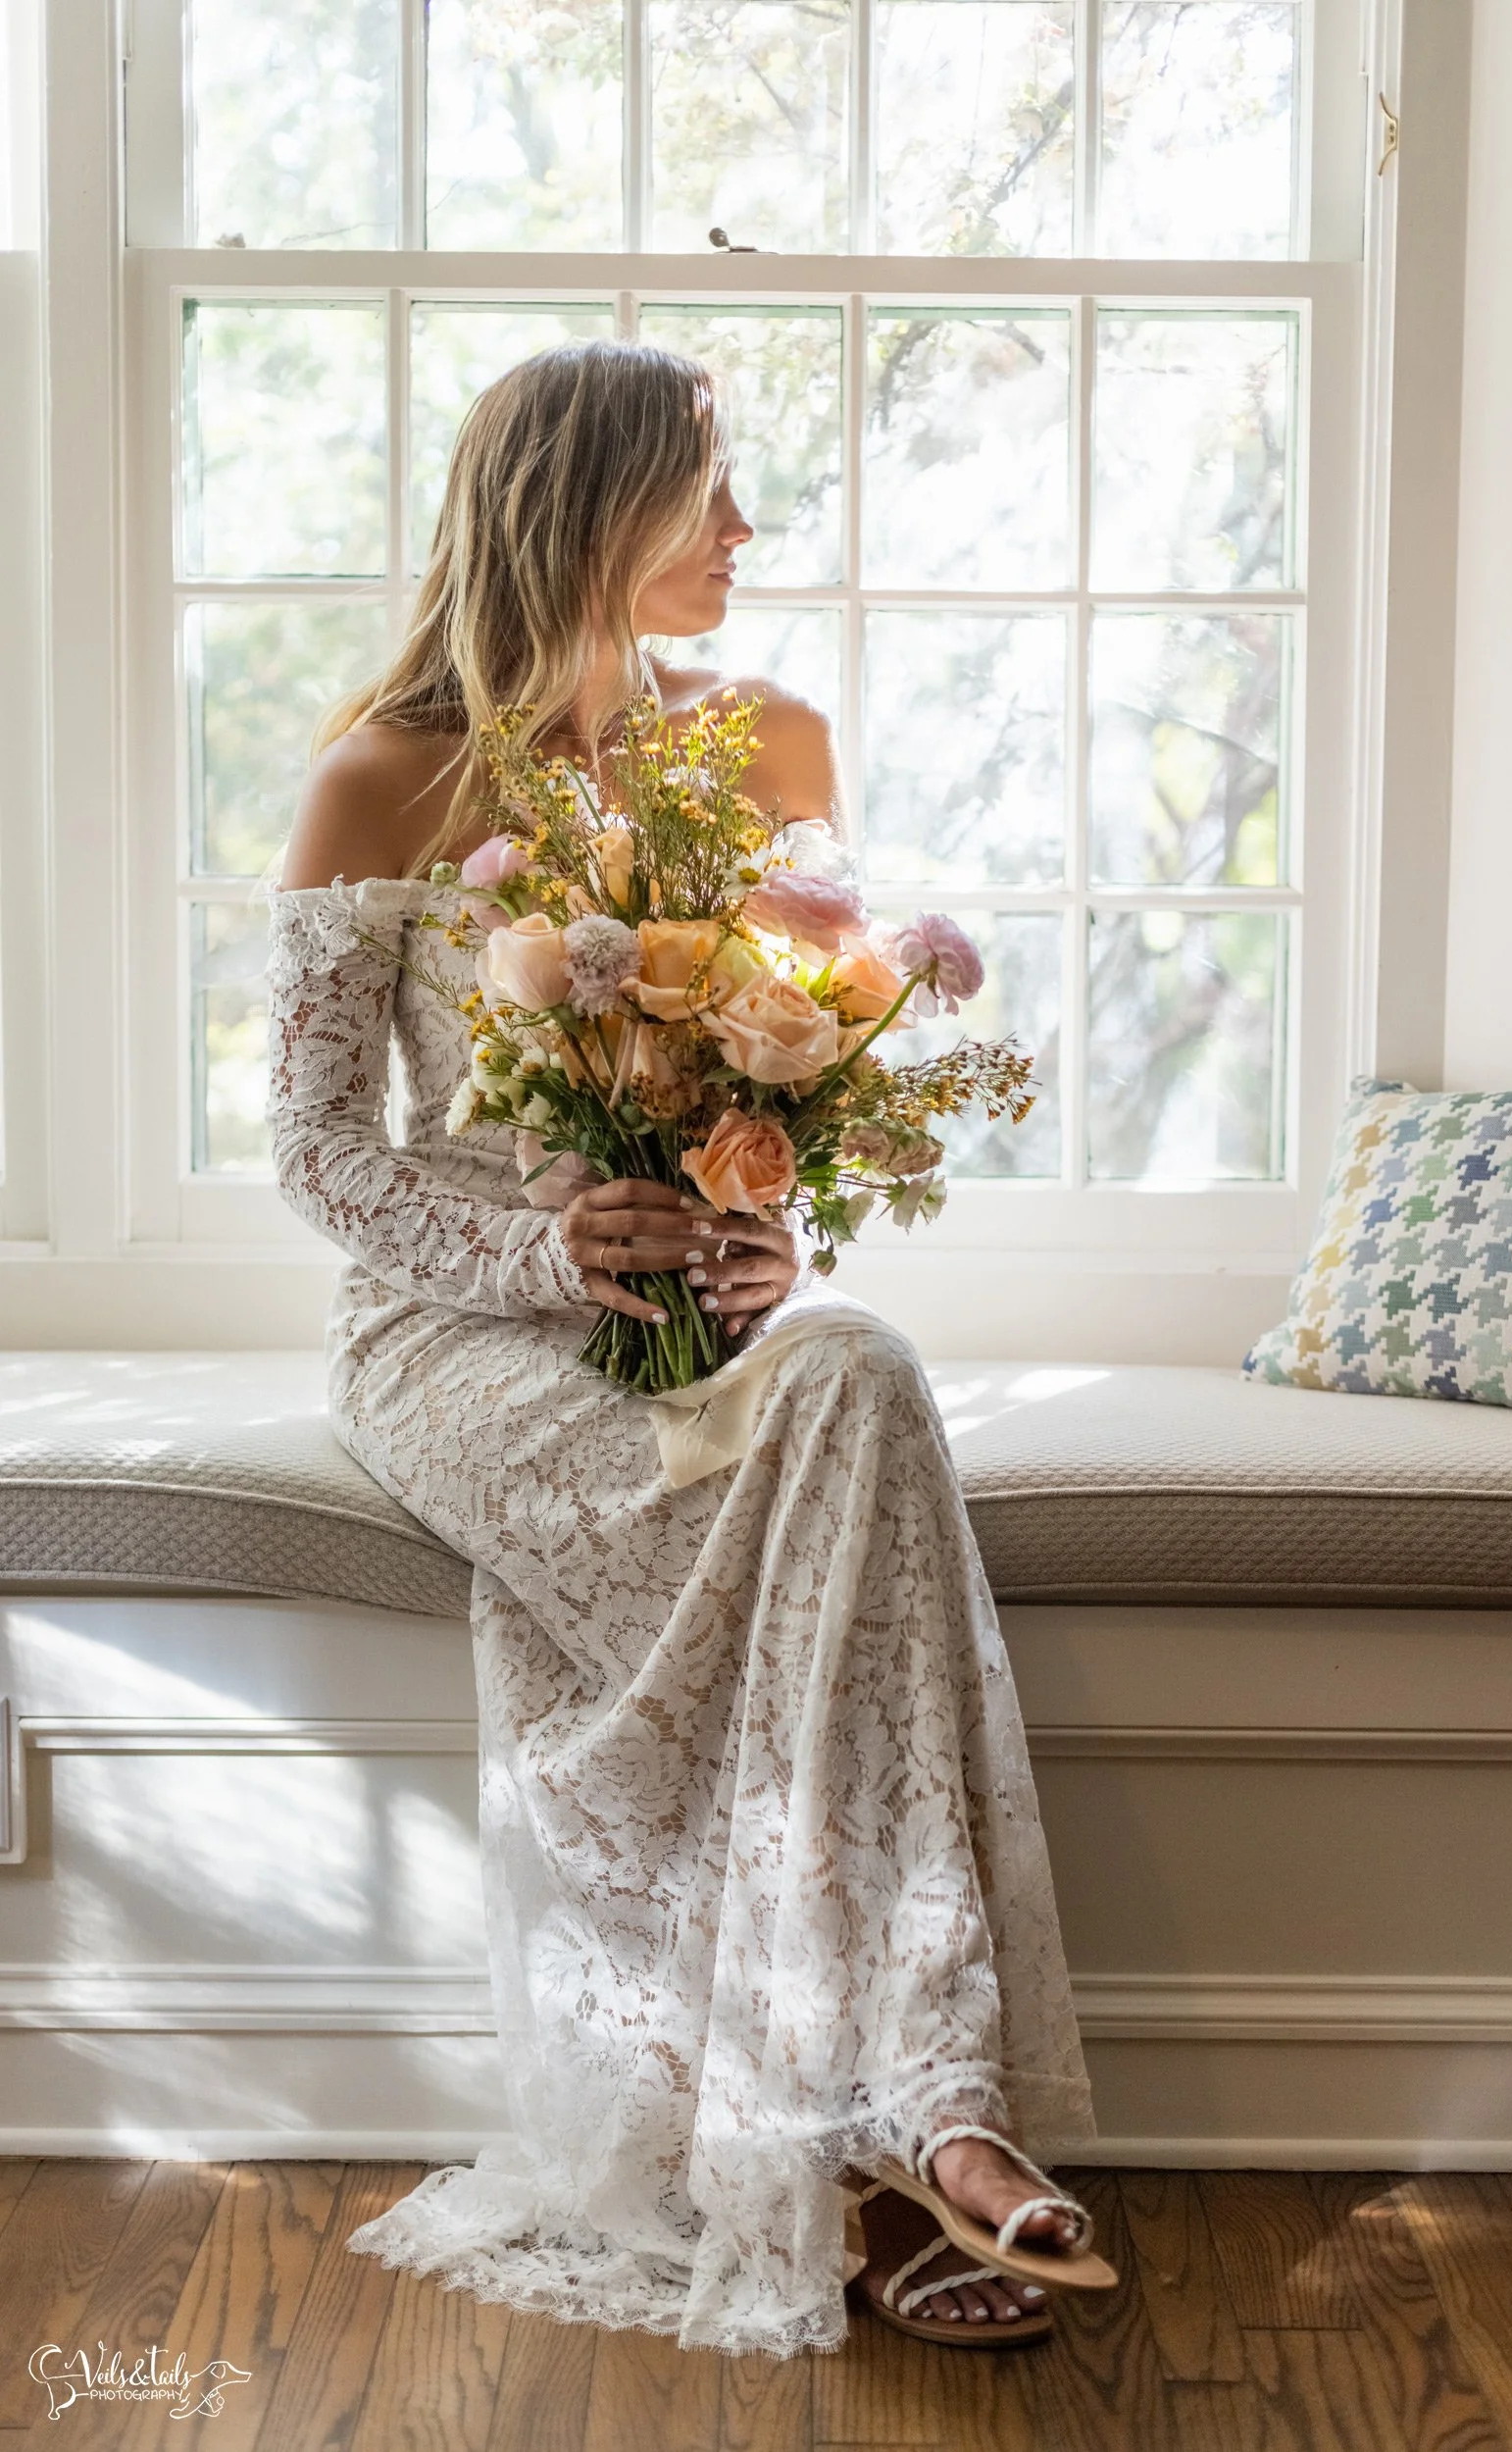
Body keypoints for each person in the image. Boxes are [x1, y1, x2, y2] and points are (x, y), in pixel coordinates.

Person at [268, 337, 1105, 2357]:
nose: (746, 531)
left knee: (862, 1375)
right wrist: (549, 1238)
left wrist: (755, 1214)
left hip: (697, 1314)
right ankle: (916, 2129)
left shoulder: (775, 743)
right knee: (807, 1533)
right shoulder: (383, 770)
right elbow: (314, 1150)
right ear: (590, 506)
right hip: (456, 1327)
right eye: (709, 490)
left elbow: (786, 1079)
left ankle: (902, 2100)